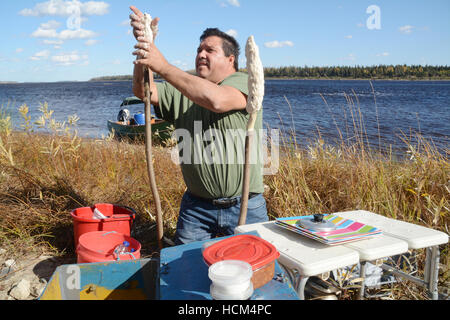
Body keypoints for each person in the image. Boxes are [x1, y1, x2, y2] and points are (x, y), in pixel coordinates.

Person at [130, 6, 268, 245]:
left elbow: (216, 99)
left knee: (252, 272)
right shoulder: (183, 89)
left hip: (246, 204)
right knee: (185, 269)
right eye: (199, 49)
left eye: (210, 50)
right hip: (197, 208)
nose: (201, 54)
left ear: (230, 59)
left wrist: (162, 65)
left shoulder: (245, 82)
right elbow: (144, 91)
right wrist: (146, 46)